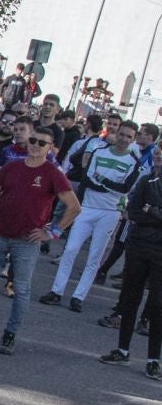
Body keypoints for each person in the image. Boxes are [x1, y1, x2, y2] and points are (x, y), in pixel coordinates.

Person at [0, 127, 79, 354]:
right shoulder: (12, 167)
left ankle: (10, 334)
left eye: (42, 143)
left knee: (21, 289)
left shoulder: (52, 173)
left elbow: (74, 207)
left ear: (50, 148)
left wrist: (52, 232)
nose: (35, 145)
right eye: (33, 140)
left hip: (27, 240)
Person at [43, 118, 142, 311]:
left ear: (133, 139)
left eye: (128, 136)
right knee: (70, 249)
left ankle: (78, 297)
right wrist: (107, 185)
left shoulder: (133, 162)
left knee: (94, 257)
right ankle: (56, 291)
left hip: (110, 213)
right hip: (87, 208)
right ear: (116, 134)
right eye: (121, 134)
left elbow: (124, 188)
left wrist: (101, 180)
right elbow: (87, 178)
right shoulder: (99, 152)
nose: (123, 139)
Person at [97, 167, 162, 379]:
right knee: (129, 299)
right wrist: (153, 213)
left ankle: (153, 360)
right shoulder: (147, 180)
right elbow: (133, 212)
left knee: (157, 306)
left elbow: (143, 212)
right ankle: (122, 350)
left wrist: (151, 210)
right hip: (138, 246)